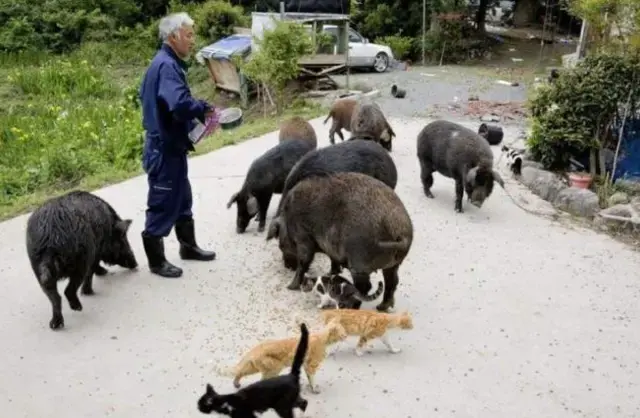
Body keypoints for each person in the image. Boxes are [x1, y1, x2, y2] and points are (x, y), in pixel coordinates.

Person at [139, 12, 217, 278]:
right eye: (189, 34)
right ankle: (156, 261)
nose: (192, 40)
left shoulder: (164, 63)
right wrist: (202, 108)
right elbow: (180, 104)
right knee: (162, 200)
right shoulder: (167, 66)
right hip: (164, 149)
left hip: (172, 146)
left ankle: (188, 247)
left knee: (182, 197)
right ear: (173, 37)